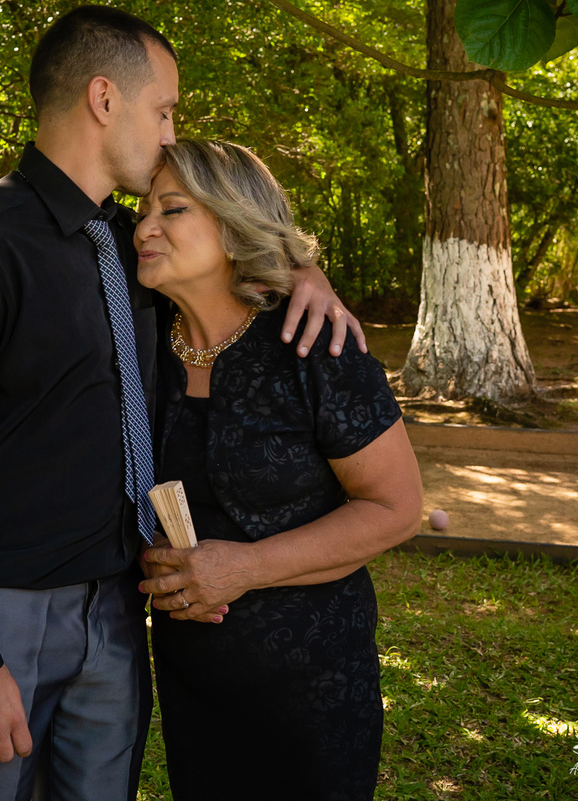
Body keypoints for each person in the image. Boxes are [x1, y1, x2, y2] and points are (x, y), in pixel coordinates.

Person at [0, 7, 363, 801]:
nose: (173, 133)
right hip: (5, 610)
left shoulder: (132, 246)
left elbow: (229, 256)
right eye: (164, 108)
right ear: (105, 99)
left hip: (115, 608)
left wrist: (301, 272)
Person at [135, 139, 423, 801]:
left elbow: (397, 507)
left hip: (312, 688)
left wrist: (245, 567)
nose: (145, 225)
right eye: (142, 209)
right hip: (191, 684)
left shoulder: (313, 343)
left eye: (171, 209)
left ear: (234, 226)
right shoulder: (141, 343)